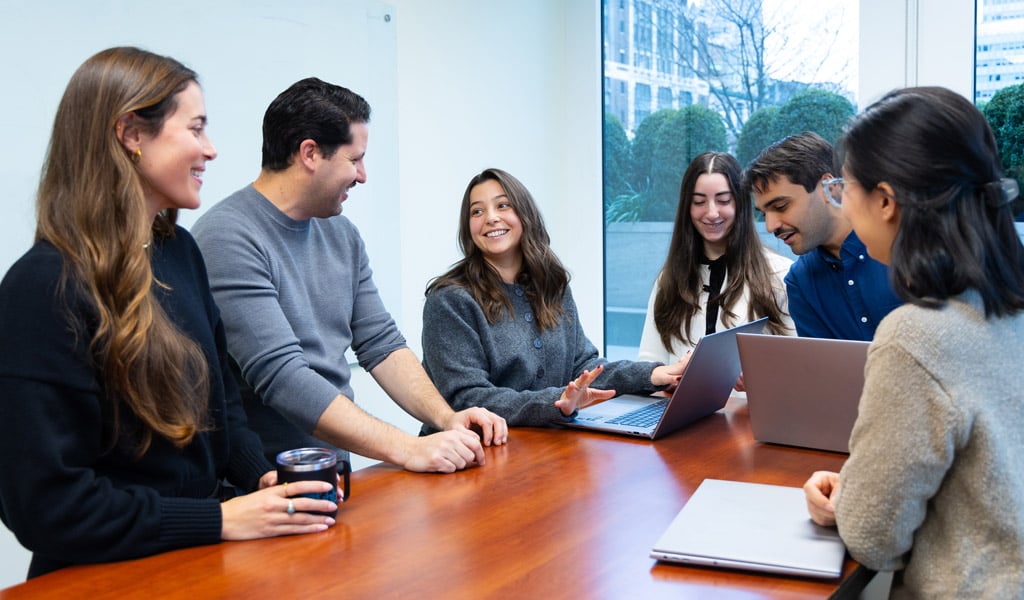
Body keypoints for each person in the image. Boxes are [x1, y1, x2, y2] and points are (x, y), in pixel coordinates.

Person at [0, 47, 337, 579]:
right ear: (131, 133)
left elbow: (223, 406)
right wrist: (215, 519)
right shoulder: (41, 288)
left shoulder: (179, 251)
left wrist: (258, 479)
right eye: (196, 128)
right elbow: (46, 508)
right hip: (103, 579)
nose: (211, 149)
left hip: (205, 558)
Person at [191, 79, 507, 474]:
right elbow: (284, 378)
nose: (362, 175)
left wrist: (447, 419)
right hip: (264, 484)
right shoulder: (227, 237)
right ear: (310, 153)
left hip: (332, 472)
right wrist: (409, 448)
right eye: (354, 159)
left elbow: (381, 344)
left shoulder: (341, 234)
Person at [802, 86, 1024, 597]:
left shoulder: (916, 337)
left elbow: (874, 537)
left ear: (885, 202)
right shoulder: (1006, 307)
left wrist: (850, 498)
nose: (843, 204)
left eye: (845, 188)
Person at [420, 168, 686, 429]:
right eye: (477, 211)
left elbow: (583, 367)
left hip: (543, 448)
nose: (490, 217)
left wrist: (652, 375)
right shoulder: (449, 300)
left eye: (503, 205)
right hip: (467, 456)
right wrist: (556, 401)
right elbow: (467, 398)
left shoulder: (552, 285)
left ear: (525, 214)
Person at [638, 151, 794, 367]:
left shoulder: (780, 275)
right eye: (699, 202)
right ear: (687, 208)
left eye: (723, 200)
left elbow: (797, 370)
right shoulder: (669, 280)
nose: (712, 213)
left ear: (740, 204)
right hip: (680, 401)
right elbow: (649, 365)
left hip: (751, 402)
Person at [744, 132, 902, 340]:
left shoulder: (904, 249)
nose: (771, 225)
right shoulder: (800, 282)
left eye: (781, 206)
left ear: (831, 189)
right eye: (764, 213)